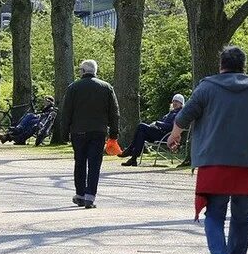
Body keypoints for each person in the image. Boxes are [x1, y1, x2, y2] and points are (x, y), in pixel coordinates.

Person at [167, 45, 248, 254]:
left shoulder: (207, 87)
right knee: (242, 217)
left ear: (221, 65)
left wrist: (175, 135)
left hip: (213, 162)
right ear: (243, 66)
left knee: (215, 215)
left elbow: (185, 115)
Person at [55, 59, 119, 209]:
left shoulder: (73, 88)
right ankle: (90, 196)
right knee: (95, 164)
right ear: (95, 71)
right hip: (98, 131)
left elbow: (66, 112)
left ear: (83, 71)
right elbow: (114, 113)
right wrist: (114, 133)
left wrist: (64, 132)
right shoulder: (106, 87)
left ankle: (80, 194)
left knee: (80, 163)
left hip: (78, 131)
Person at [120, 94, 185, 166]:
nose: (175, 103)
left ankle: (130, 150)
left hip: (165, 136)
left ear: (181, 104)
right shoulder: (171, 112)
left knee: (141, 126)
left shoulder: (179, 114)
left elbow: (170, 127)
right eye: (174, 101)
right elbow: (163, 122)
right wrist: (155, 124)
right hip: (159, 133)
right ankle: (133, 159)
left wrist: (157, 123)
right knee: (141, 134)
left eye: (177, 102)